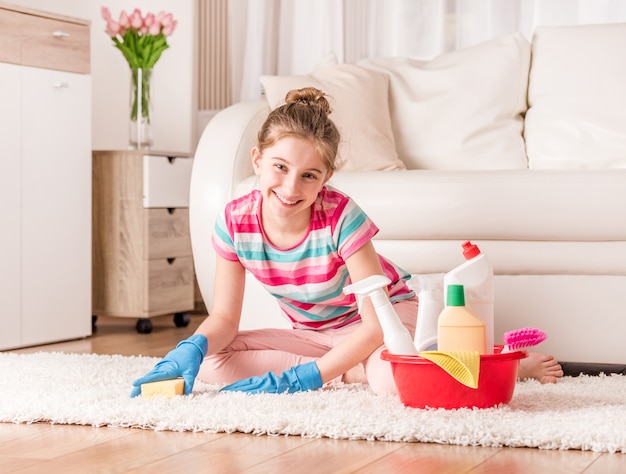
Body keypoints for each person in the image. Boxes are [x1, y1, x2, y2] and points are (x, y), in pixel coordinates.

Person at [131, 87, 562, 398]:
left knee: (391, 383)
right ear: (257, 161)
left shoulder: (340, 215)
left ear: (326, 180)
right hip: (316, 335)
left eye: (309, 176)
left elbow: (375, 326)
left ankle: (504, 368)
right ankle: (350, 371)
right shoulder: (234, 221)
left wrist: (306, 379)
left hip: (388, 319)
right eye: (279, 167)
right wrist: (190, 347)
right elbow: (224, 318)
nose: (290, 186)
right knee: (210, 362)